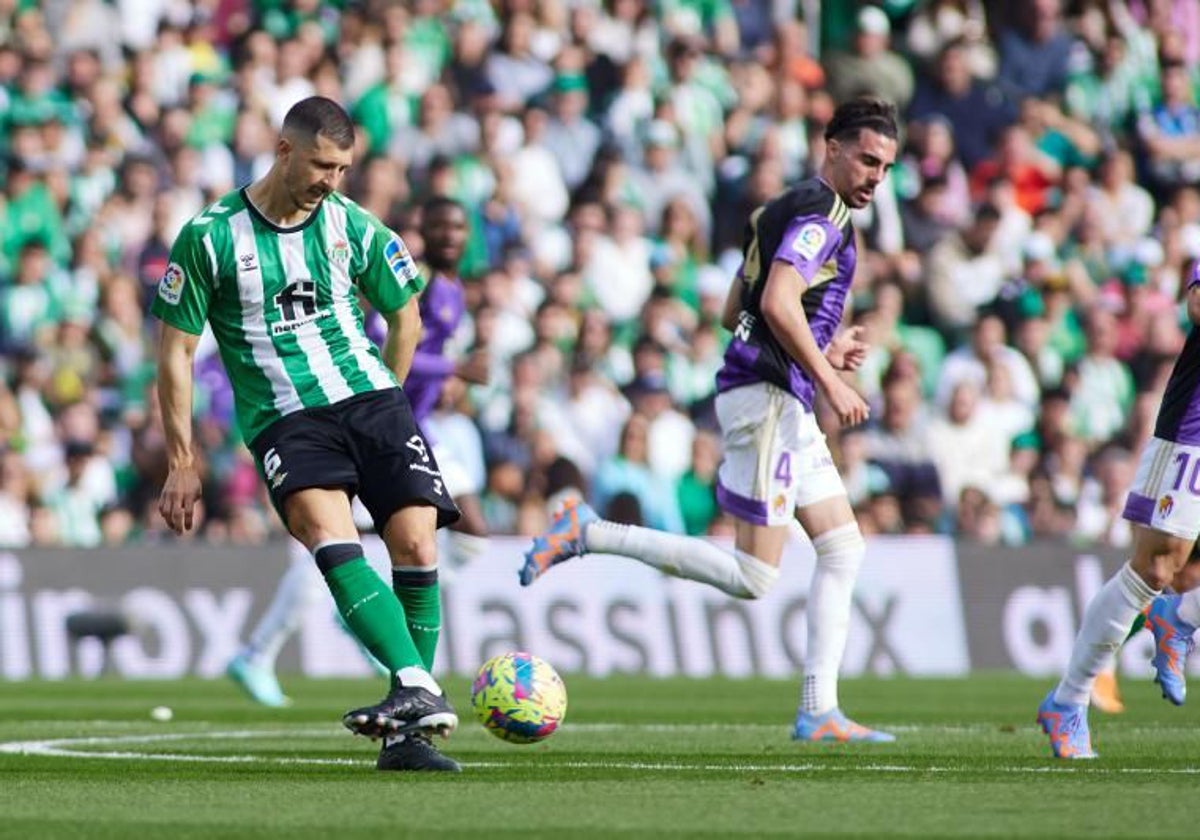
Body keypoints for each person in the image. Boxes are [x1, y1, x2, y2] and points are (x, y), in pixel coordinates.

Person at [520, 97, 901, 743]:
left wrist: (824, 347)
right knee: (755, 575)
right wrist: (830, 378)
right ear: (830, 146)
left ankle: (819, 709)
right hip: (770, 397)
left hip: (775, 390)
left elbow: (739, 311)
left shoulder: (774, 208)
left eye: (886, 167)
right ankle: (589, 532)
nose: (875, 177)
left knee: (842, 547)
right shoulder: (825, 217)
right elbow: (779, 299)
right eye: (866, 159)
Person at [152, 96, 462, 773]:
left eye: (344, 168)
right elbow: (175, 352)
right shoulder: (210, 236)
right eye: (323, 165)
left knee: (414, 539)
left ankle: (408, 729)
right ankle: (419, 687)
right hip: (287, 418)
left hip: (371, 400)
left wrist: (393, 396)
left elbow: (404, 315)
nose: (333, 181)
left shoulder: (352, 225)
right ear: (284, 150)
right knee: (331, 538)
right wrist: (182, 460)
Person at [224, 197, 491, 708]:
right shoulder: (419, 280)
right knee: (334, 541)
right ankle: (262, 651)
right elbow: (372, 337)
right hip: (365, 420)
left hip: (412, 426)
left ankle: (344, 628)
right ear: (424, 231)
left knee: (458, 534)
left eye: (459, 225)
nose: (450, 234)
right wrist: (443, 373)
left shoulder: (454, 292)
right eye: (439, 224)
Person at [1037, 262, 1200, 759]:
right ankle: (1068, 700)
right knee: (1156, 568)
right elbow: (1194, 305)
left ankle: (1180, 617)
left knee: (1171, 576)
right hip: (1192, 435)